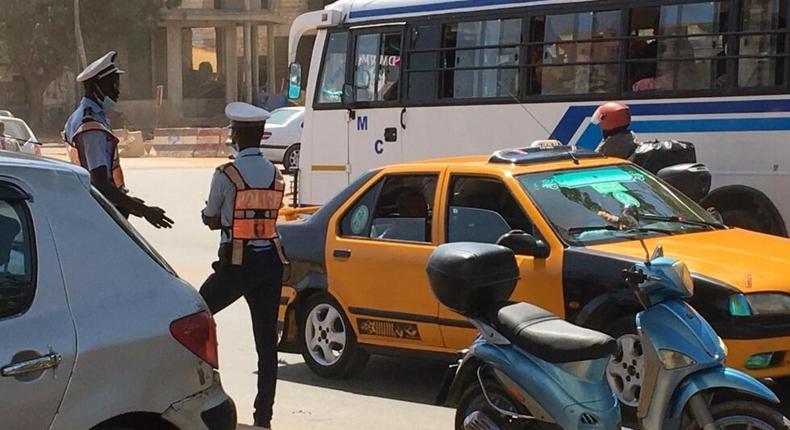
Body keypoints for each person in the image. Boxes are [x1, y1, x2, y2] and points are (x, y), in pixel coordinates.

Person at [199, 102, 287, 430]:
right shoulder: (275, 174)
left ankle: (200, 401)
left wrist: (212, 218)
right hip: (271, 263)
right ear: (261, 136)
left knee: (194, 319)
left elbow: (211, 216)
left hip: (237, 263)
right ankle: (263, 419)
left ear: (235, 135)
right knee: (266, 347)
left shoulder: (226, 174)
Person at [63, 51, 173, 228]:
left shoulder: (82, 116)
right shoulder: (91, 126)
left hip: (96, 207)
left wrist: (127, 202)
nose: (117, 91)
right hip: (98, 212)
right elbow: (100, 183)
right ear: (95, 87)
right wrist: (144, 210)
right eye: (112, 85)